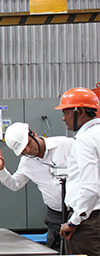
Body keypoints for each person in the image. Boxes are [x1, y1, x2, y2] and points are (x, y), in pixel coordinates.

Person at [0, 122, 74, 251]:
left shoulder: (65, 145)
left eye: (28, 144)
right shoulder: (27, 163)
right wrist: (1, 170)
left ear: (33, 134)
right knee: (55, 250)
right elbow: (15, 184)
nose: (29, 150)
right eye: (23, 150)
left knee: (82, 248)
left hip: (79, 211)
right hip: (55, 216)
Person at [55, 87, 100, 256]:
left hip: (88, 223)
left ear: (79, 111)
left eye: (66, 112)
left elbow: (91, 187)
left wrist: (74, 222)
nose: (63, 118)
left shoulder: (85, 140)